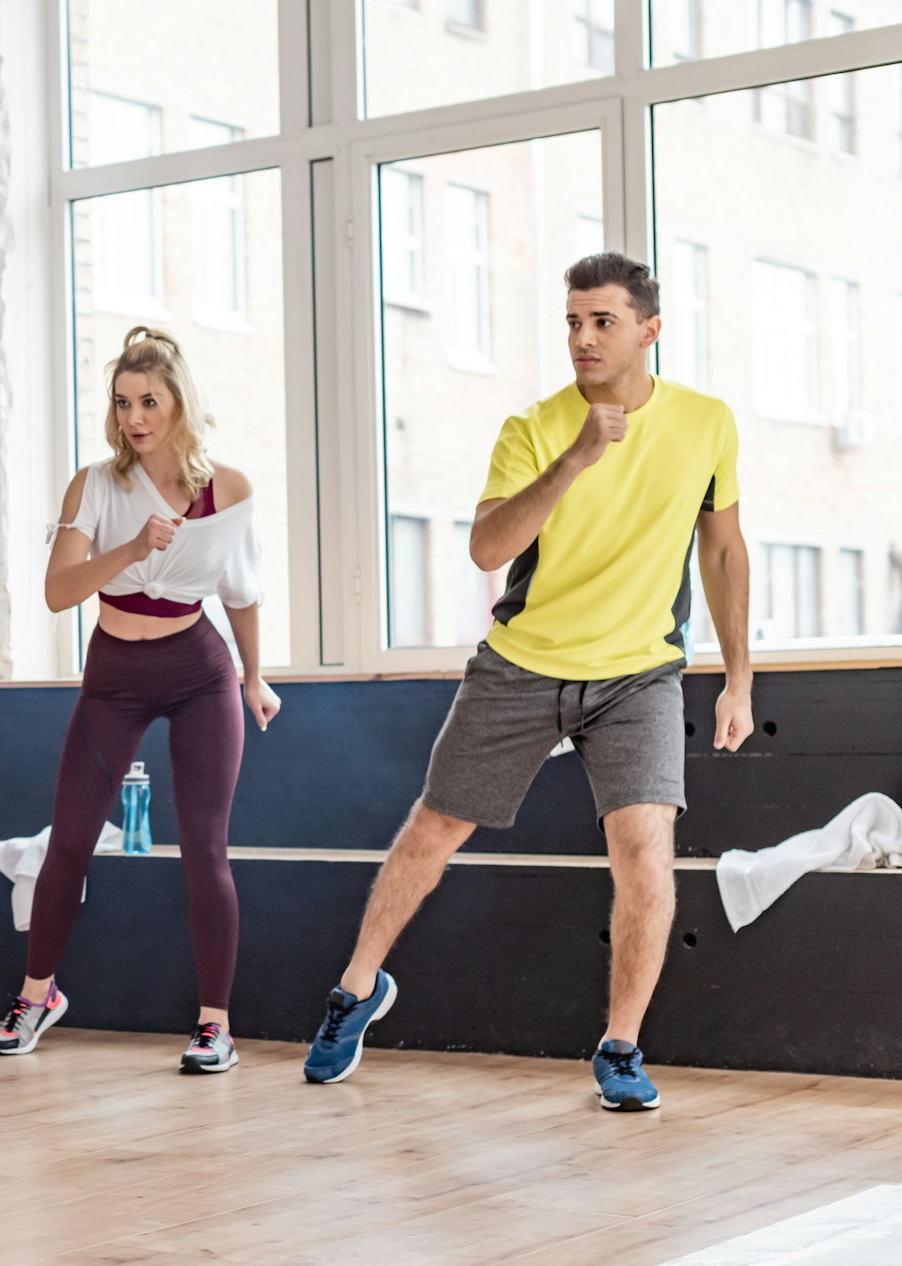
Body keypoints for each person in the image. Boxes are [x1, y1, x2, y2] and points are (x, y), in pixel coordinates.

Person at [301, 252, 754, 1111]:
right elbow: (486, 548)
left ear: (649, 330)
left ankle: (620, 1046)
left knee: (644, 849)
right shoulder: (534, 428)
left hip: (639, 672)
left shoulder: (707, 423)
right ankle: (357, 990)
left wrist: (739, 677)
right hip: (524, 662)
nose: (583, 338)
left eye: (603, 322)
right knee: (432, 829)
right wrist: (576, 459)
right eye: (574, 322)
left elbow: (724, 550)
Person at [0, 326, 280, 1074]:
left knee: (204, 848)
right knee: (70, 841)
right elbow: (58, 592)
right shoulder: (94, 485)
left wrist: (254, 676)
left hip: (198, 670)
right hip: (113, 673)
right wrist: (131, 550)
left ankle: (215, 1023)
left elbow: (241, 595)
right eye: (123, 403)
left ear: (181, 402)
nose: (135, 417)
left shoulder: (229, 487)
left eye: (150, 401)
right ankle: (36, 995)